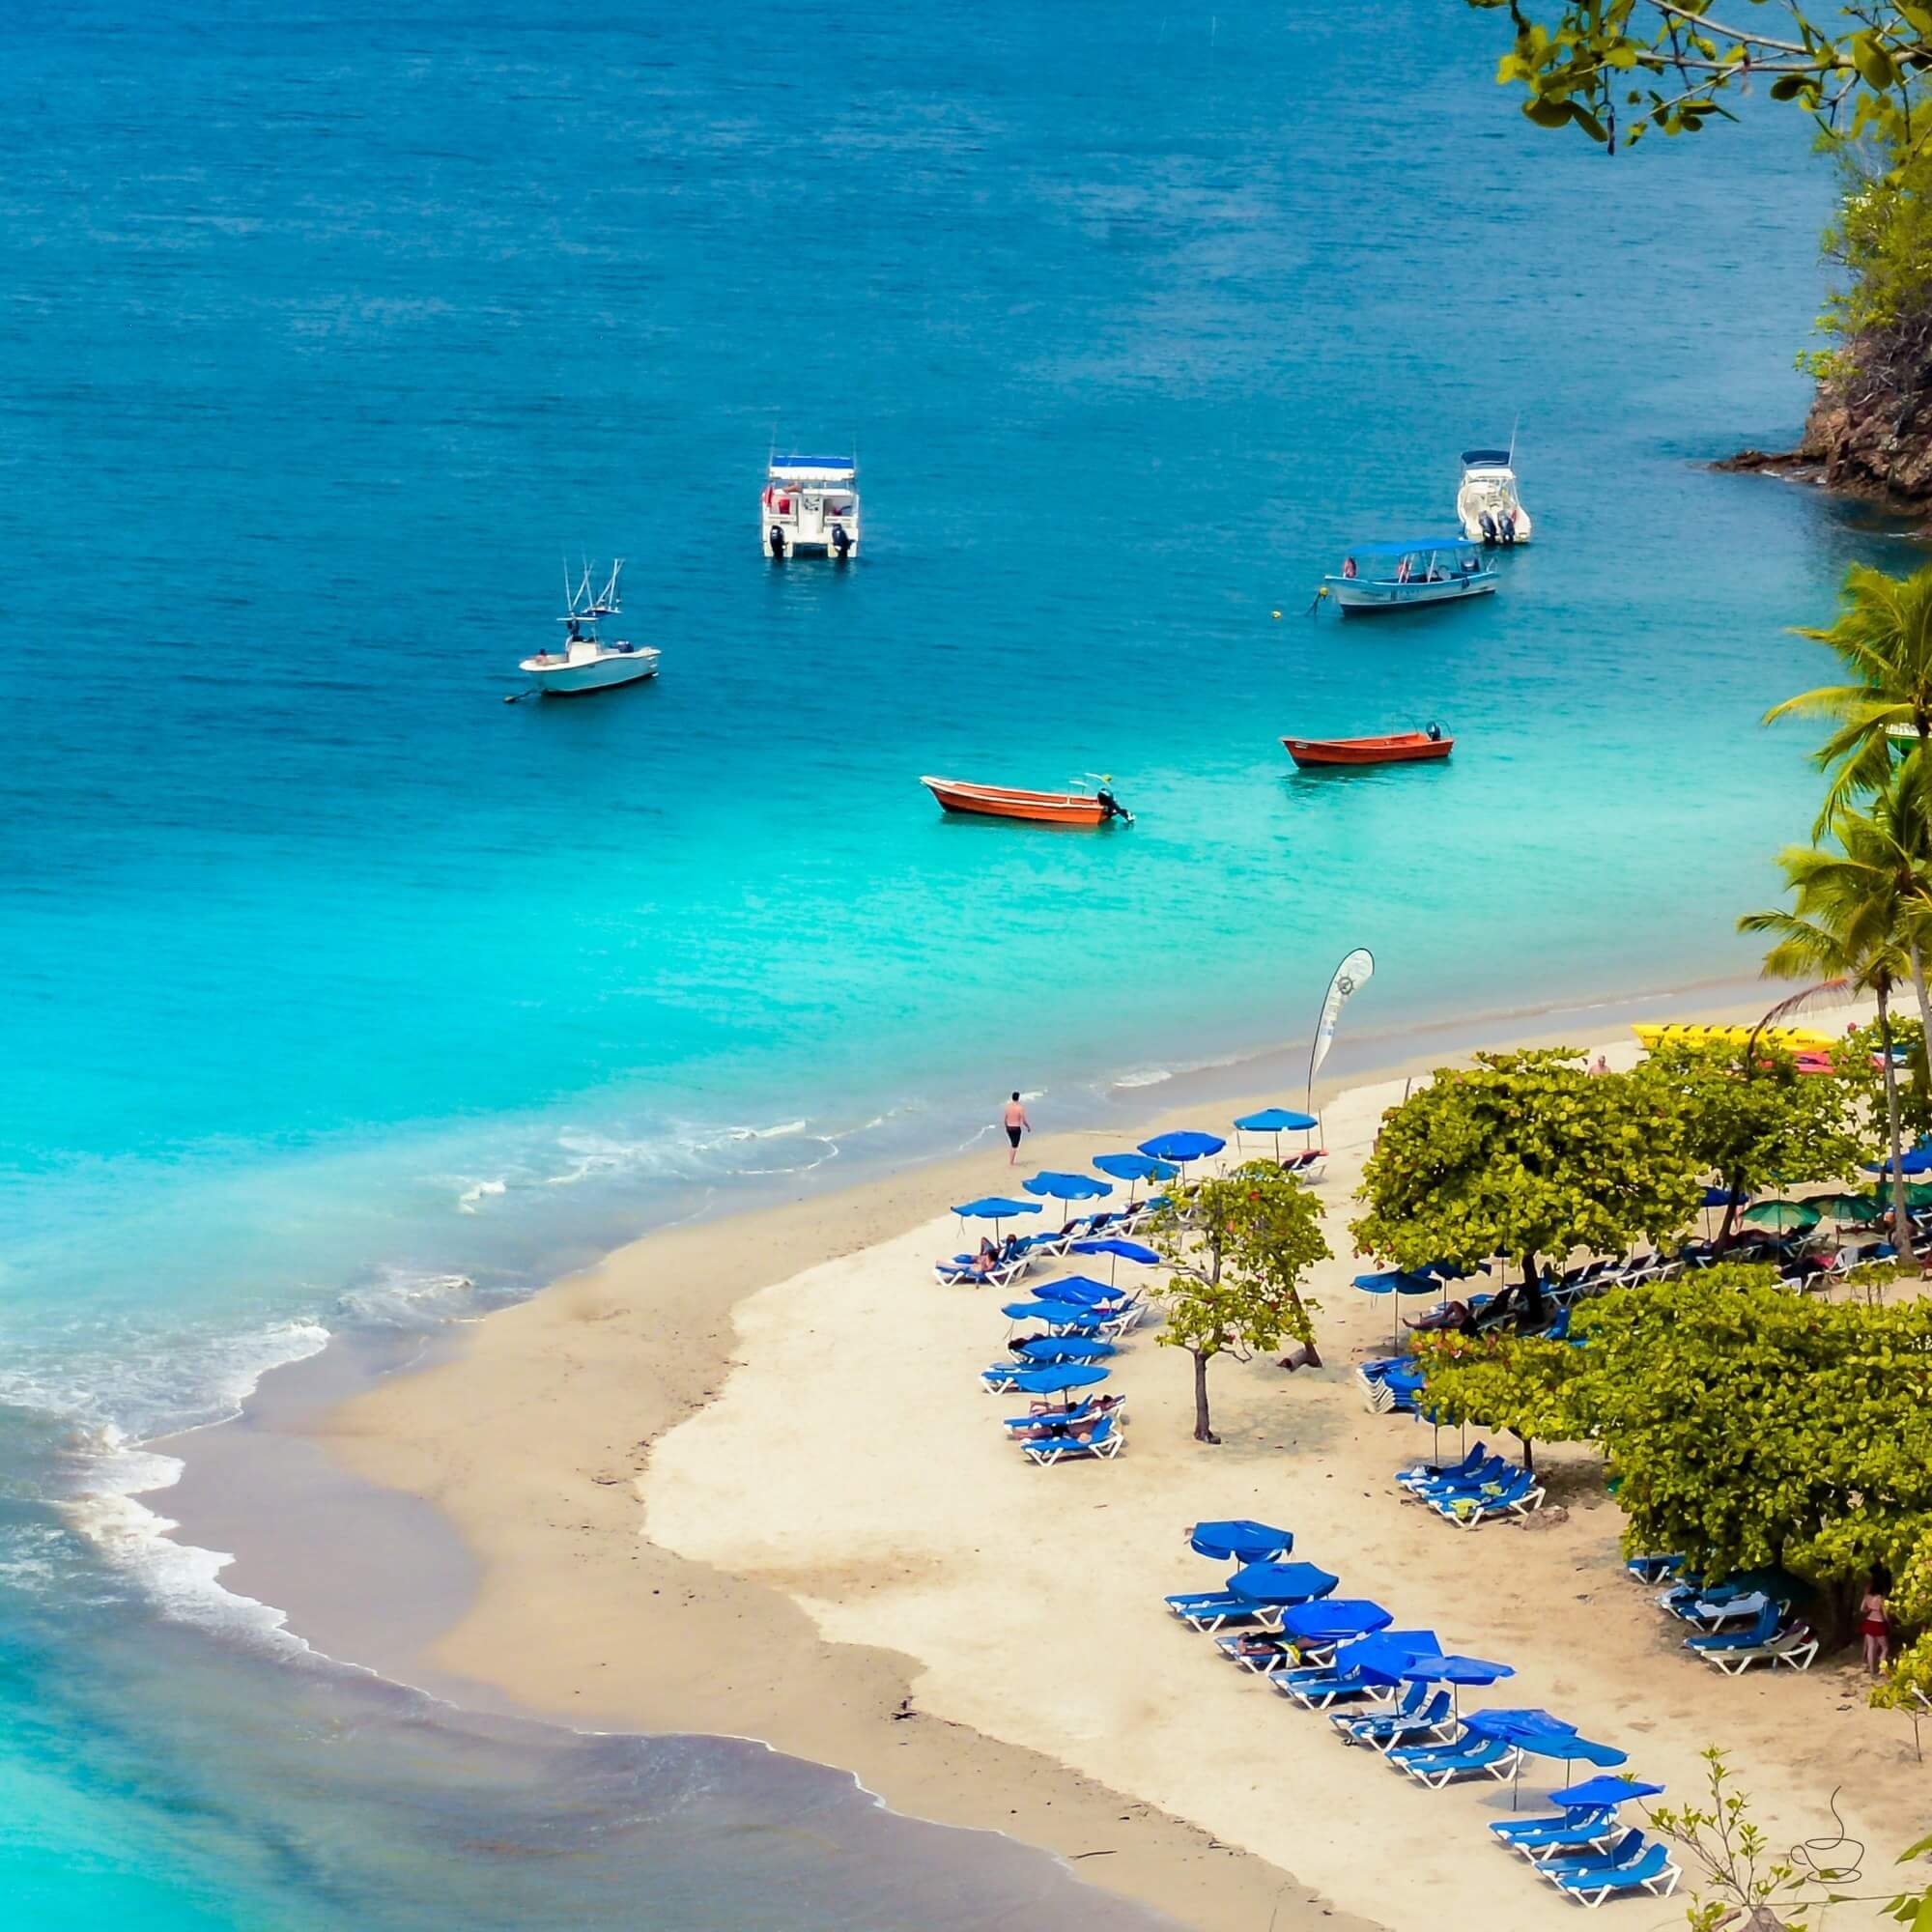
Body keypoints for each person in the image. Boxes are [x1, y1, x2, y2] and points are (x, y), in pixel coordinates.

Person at [1860, 1578, 1892, 1674]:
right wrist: (1889, 1622)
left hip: (1869, 1622)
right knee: (1885, 1647)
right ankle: (1882, 1669)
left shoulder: (1867, 1597)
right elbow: (1885, 1614)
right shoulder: (1881, 1598)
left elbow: (1862, 1609)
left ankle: (1872, 1670)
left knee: (1871, 1647)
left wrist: (1870, 1610)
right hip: (1879, 1623)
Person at [1004, 1092, 1031, 1164]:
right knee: (1014, 1146)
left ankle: (1011, 1160)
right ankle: (1011, 1162)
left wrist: (1006, 1127)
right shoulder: (1020, 1108)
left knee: (1012, 1144)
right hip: (1016, 1128)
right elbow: (1023, 1120)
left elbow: (1005, 1119)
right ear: (1018, 1098)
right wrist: (1028, 1127)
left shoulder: (1007, 1107)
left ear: (1012, 1098)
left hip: (1009, 1128)